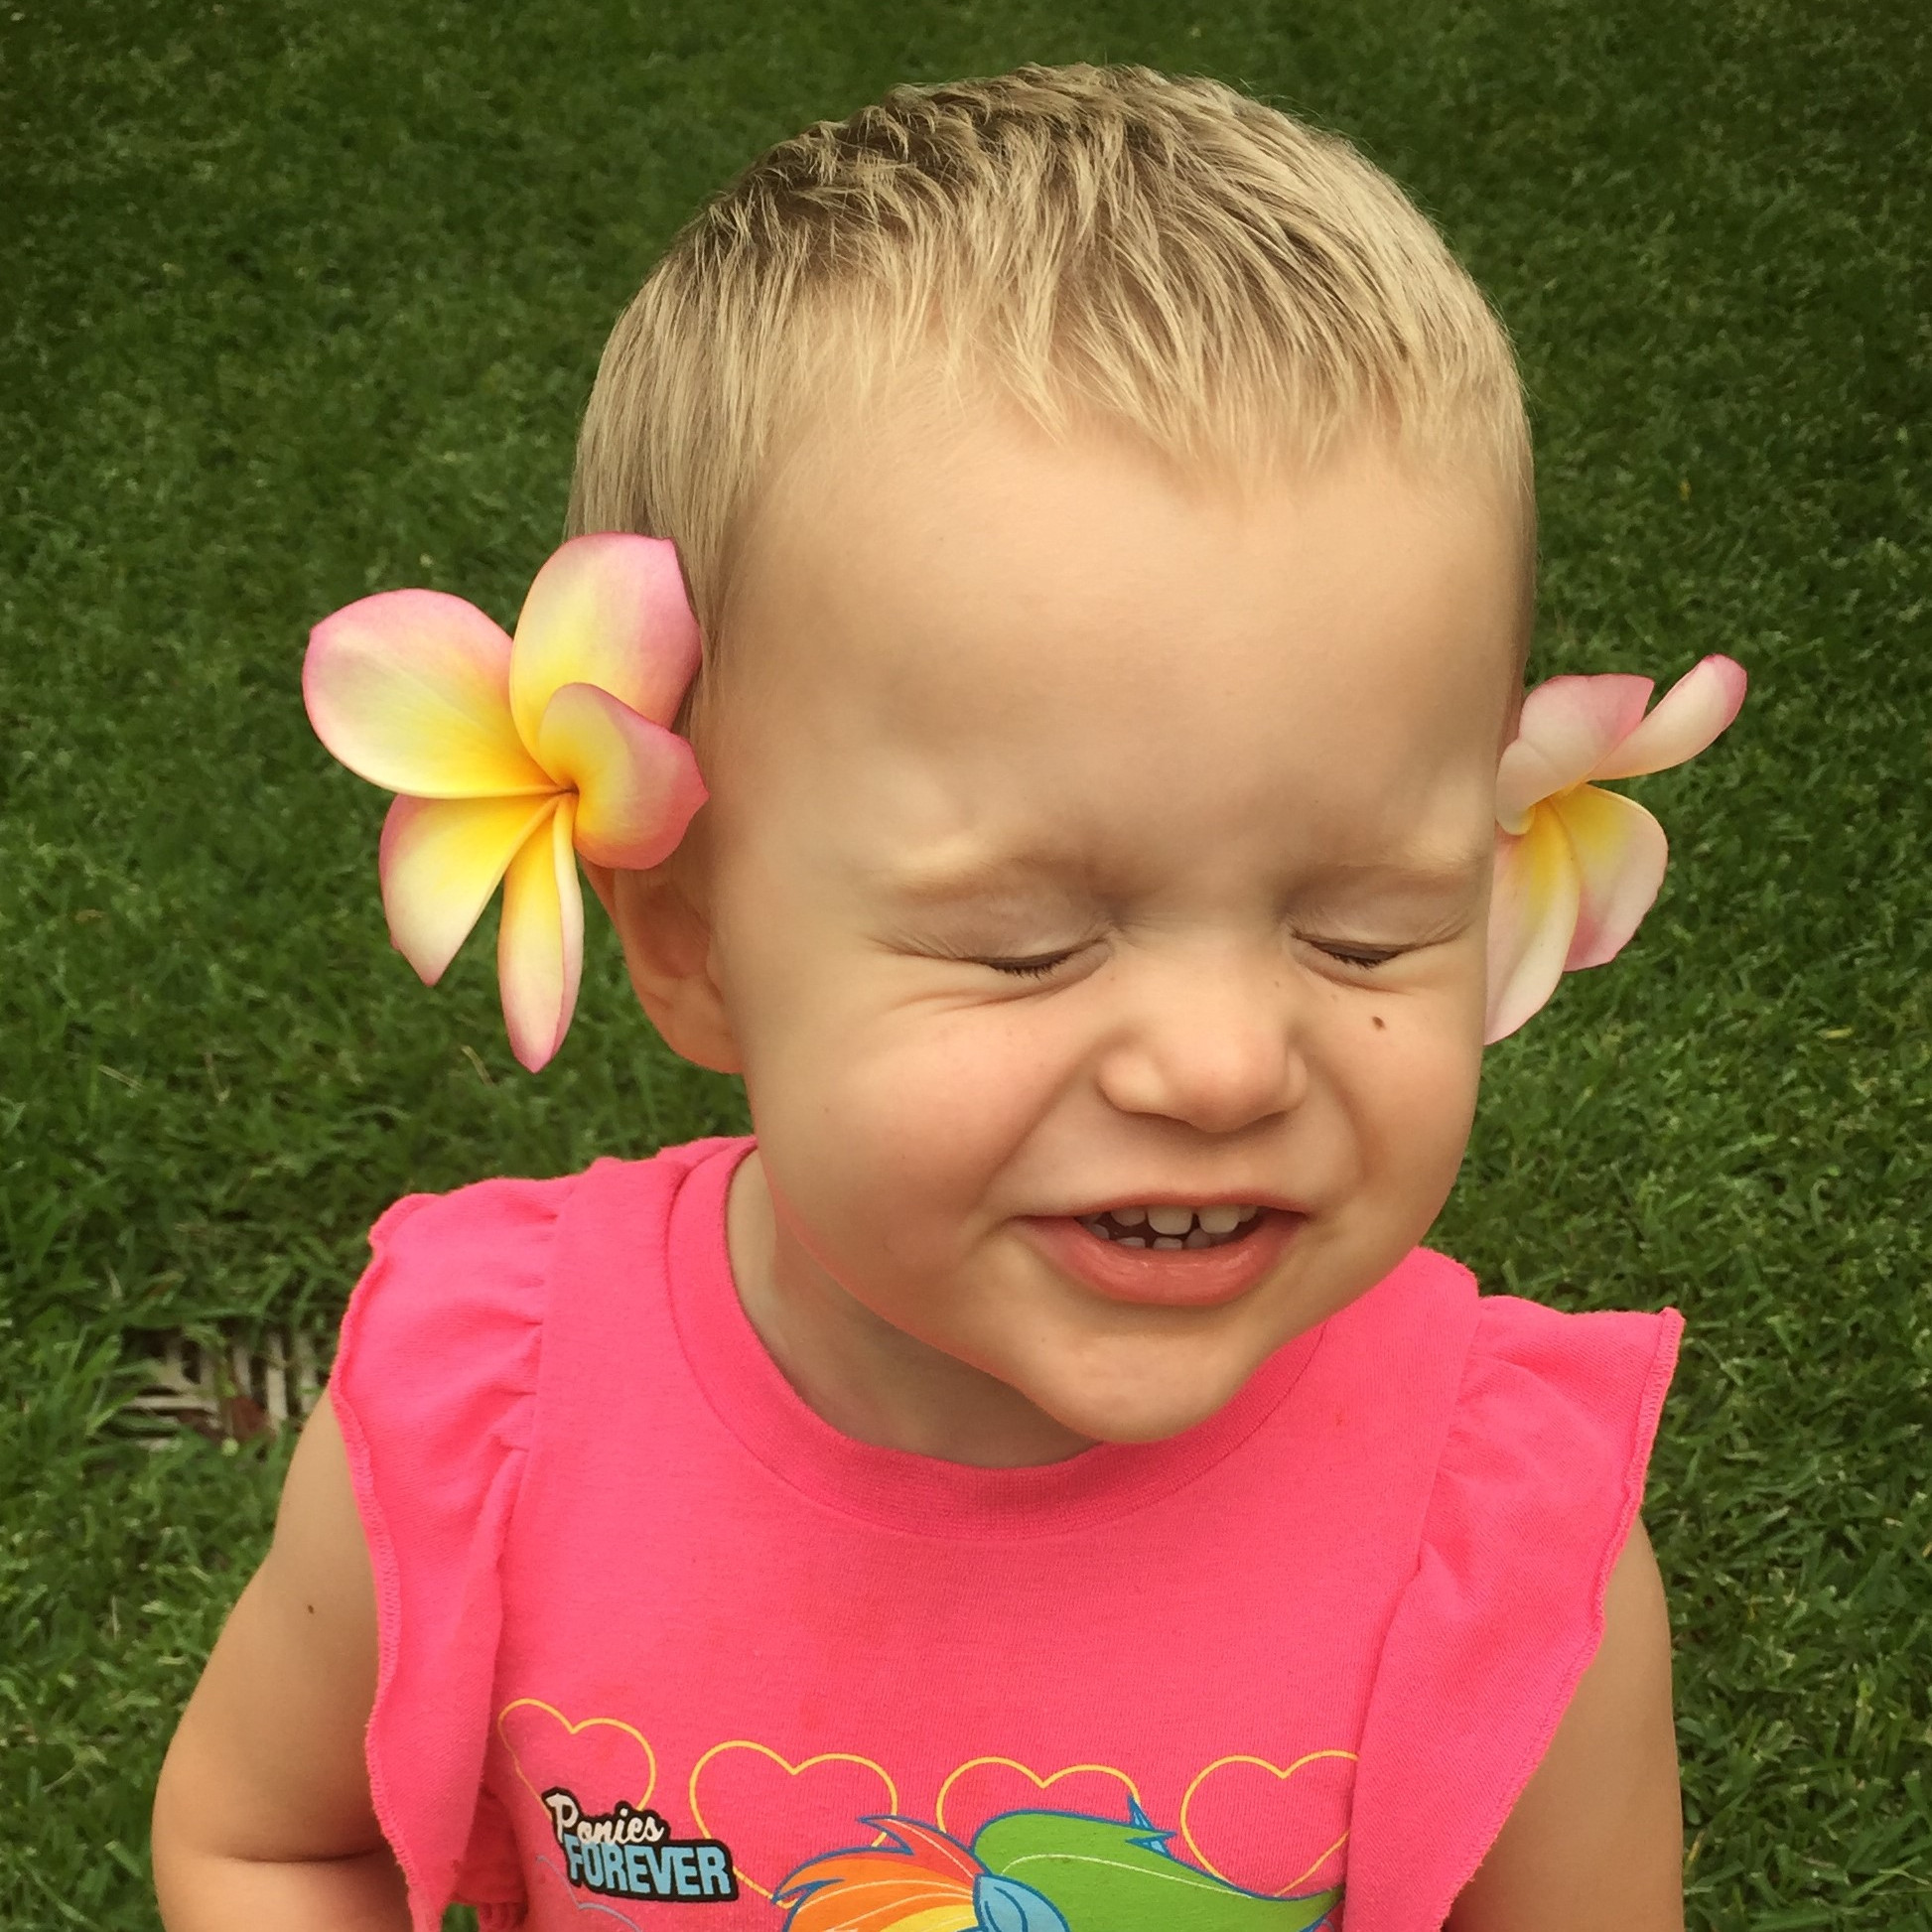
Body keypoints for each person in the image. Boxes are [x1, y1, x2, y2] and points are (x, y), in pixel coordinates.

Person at [151, 63, 1746, 1932]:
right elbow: (273, 1838)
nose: (1224, 1062)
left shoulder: (1501, 1533)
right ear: (690, 941)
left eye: (1361, 930)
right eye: (1027, 943)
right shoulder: (482, 1415)